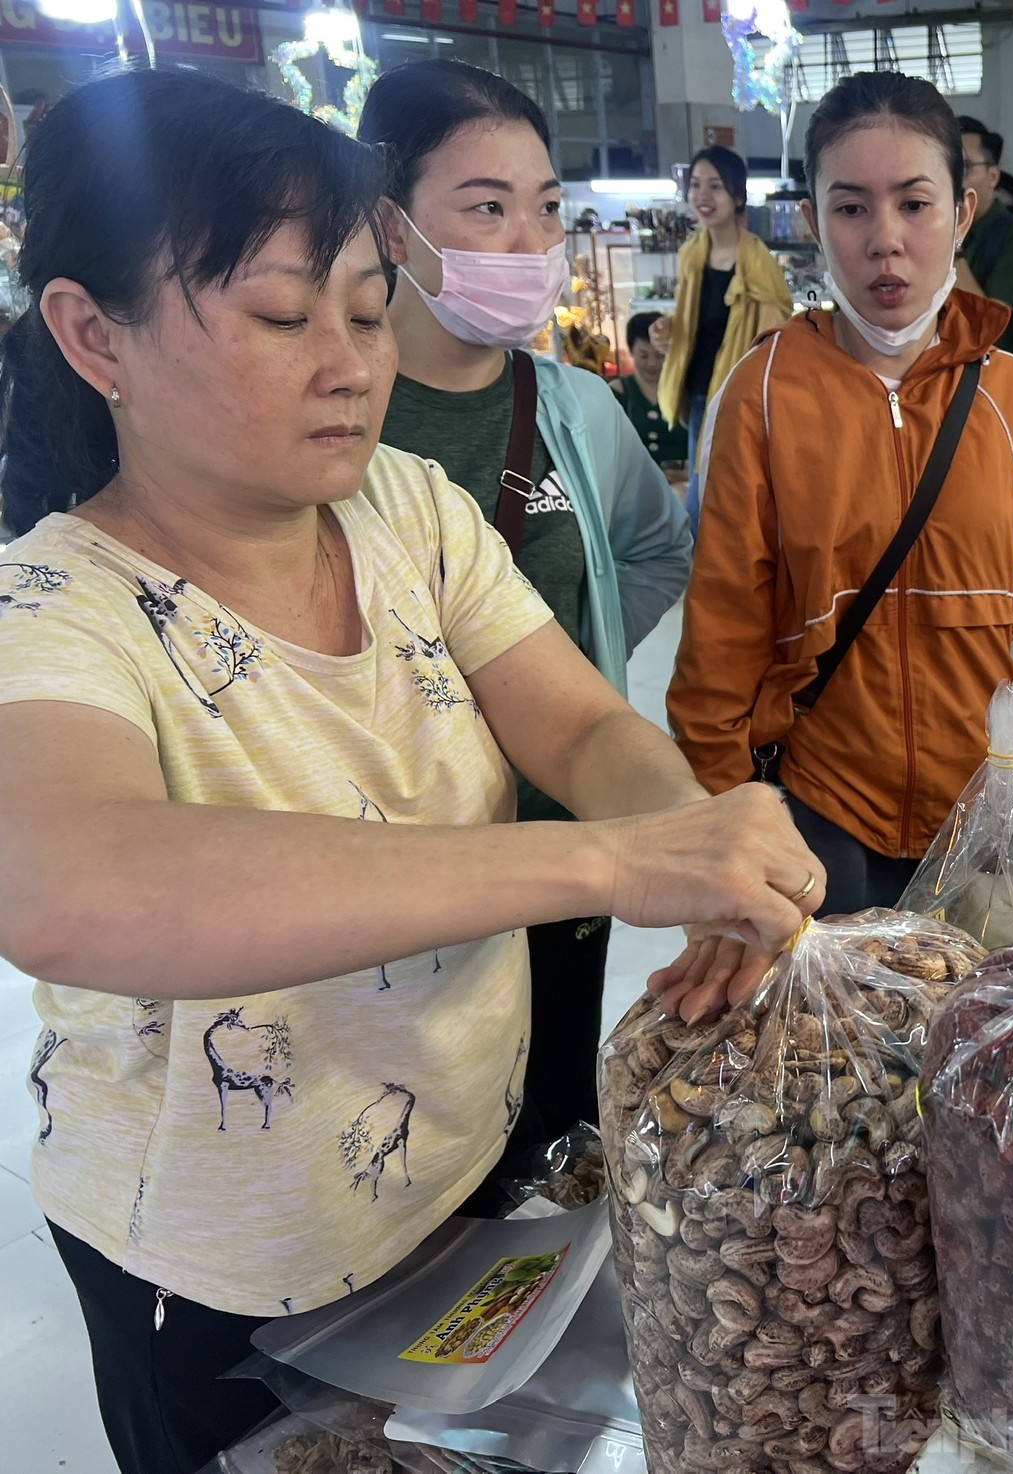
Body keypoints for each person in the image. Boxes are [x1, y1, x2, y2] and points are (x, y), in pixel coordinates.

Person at [0, 69, 820, 1474]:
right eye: (279, 314)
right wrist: (600, 861)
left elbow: (572, 725)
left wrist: (688, 833)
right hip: (224, 1262)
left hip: (457, 1166)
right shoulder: (54, 610)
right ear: (93, 334)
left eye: (370, 309)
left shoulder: (402, 506)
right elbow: (74, 884)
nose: (351, 361)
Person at [669, 71, 1013, 917]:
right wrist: (724, 811)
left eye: (914, 204)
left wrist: (1004, 611)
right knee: (844, 1043)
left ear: (962, 212)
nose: (885, 240)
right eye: (851, 208)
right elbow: (723, 626)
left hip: (983, 802)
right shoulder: (764, 392)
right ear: (812, 222)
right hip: (821, 805)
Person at [359, 60, 696, 1153]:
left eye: (546, 207)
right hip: (396, 860)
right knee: (411, 1117)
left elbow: (651, 546)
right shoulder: (339, 420)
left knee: (550, 1098)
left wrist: (571, 677)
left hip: (565, 823)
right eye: (486, 207)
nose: (528, 242)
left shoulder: (575, 405)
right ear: (390, 223)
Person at [655, 144, 793, 531]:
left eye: (715, 186)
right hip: (700, 391)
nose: (702, 196)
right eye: (696, 184)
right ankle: (706, 576)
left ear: (737, 196)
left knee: (710, 498)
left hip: (736, 399)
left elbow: (774, 335)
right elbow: (693, 323)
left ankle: (704, 576)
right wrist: (666, 330)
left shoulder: (757, 261)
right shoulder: (692, 254)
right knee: (707, 492)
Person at [954, 115, 1013, 364]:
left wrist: (952, 247)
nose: (951, 179)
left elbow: (985, 327)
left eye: (963, 167)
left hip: (1004, 387)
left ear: (993, 176)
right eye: (943, 166)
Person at [617, 310, 691, 475]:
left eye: (659, 356)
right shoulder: (617, 392)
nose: (652, 363)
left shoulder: (685, 391)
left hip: (683, 483)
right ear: (631, 351)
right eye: (643, 356)